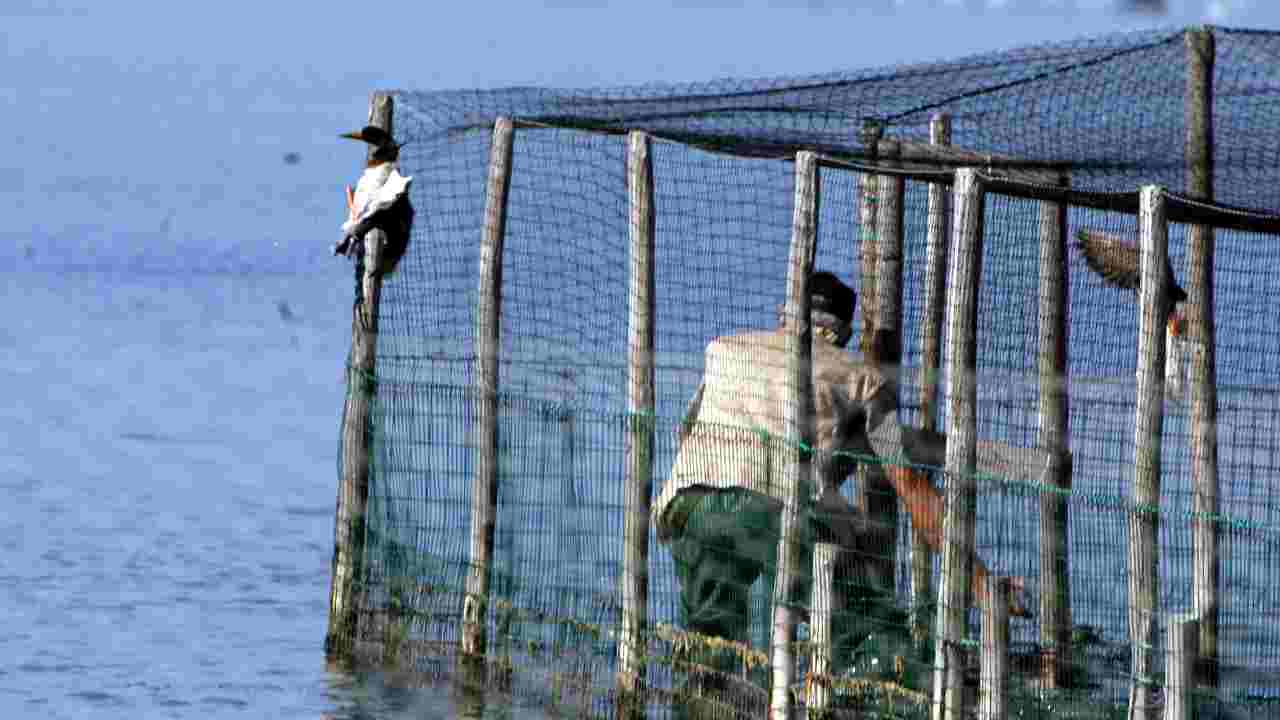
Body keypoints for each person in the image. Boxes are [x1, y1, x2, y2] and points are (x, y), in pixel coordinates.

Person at [652, 271, 1023, 713]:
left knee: (711, 661)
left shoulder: (725, 350)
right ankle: (944, 699)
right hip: (769, 515)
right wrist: (980, 582)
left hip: (688, 508)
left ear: (783, 316)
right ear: (843, 332)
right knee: (862, 623)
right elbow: (908, 484)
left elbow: (695, 440)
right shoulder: (861, 379)